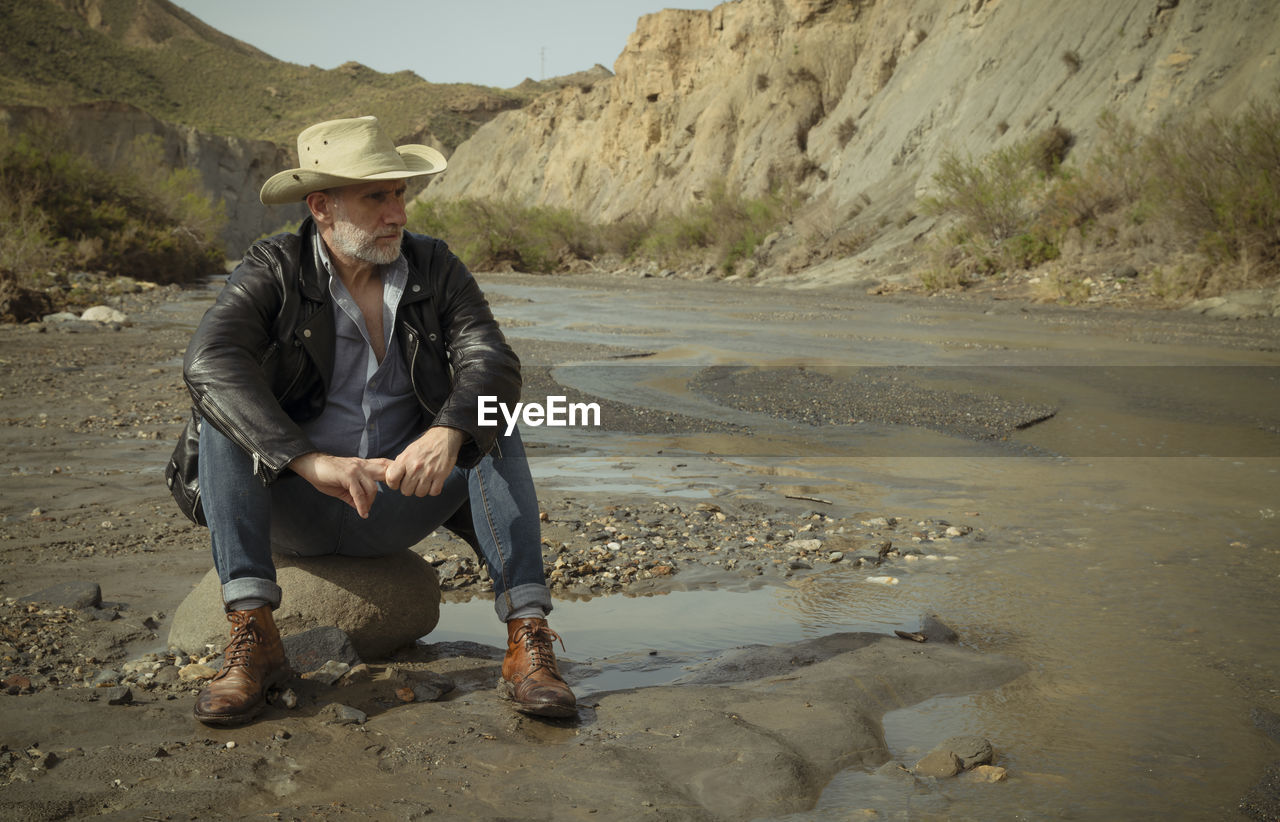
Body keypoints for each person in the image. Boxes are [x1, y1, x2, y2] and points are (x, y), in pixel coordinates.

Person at [166, 116, 574, 726]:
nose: (397, 213)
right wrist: (308, 459)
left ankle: (528, 642)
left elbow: (492, 359)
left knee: (493, 416)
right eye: (376, 196)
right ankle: (253, 638)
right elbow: (209, 360)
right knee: (222, 413)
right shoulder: (273, 267)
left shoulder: (435, 268)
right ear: (322, 206)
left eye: (400, 193)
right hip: (297, 499)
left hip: (401, 497)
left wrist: (447, 431)